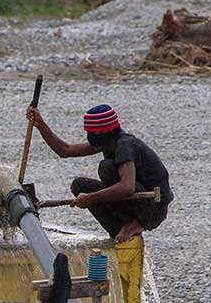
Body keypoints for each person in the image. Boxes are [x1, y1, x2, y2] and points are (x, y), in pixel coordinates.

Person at [24, 104, 173, 243]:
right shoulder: (107, 143)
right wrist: (41, 125)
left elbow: (127, 187)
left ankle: (136, 224)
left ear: (105, 131)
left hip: (153, 210)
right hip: (137, 203)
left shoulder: (125, 145)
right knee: (80, 185)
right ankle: (117, 230)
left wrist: (91, 198)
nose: (89, 135)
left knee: (106, 167)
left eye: (92, 132)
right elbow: (65, 150)